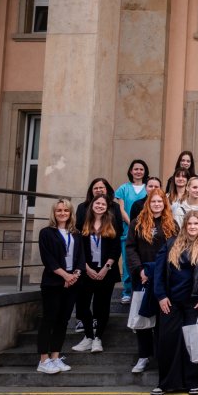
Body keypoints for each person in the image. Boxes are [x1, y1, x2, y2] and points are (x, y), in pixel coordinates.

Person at [150, 211, 198, 395]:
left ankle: (194, 382)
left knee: (196, 342)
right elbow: (158, 272)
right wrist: (161, 296)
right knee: (168, 341)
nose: (192, 227)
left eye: (196, 224)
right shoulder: (171, 243)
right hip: (171, 301)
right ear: (184, 225)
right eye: (189, 224)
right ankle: (167, 383)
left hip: (197, 303)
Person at [125, 189, 178, 374]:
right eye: (153, 201)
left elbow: (177, 249)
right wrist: (139, 270)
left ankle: (161, 356)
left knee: (163, 318)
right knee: (143, 319)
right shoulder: (137, 223)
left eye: (160, 201)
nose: (156, 204)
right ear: (148, 203)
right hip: (143, 277)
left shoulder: (172, 224)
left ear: (164, 204)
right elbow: (130, 249)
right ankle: (143, 356)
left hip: (164, 278)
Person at [36, 199, 85, 374]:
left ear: (71, 213)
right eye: (59, 210)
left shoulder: (76, 234)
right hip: (53, 282)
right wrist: (65, 275)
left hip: (72, 283)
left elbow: (81, 257)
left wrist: (74, 275)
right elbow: (48, 259)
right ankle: (43, 360)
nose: (62, 213)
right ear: (54, 213)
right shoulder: (46, 233)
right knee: (49, 320)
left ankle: (55, 357)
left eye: (66, 210)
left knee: (63, 321)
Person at [71, 195, 120, 354]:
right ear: (92, 205)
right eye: (97, 203)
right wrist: (86, 268)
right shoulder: (83, 224)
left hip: (106, 272)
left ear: (107, 207)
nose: (100, 206)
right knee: (82, 306)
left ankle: (98, 338)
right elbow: (78, 249)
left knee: (102, 306)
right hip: (86, 272)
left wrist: (106, 268)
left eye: (103, 204)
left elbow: (116, 249)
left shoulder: (111, 223)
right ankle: (88, 336)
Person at [115, 159, 150, 304]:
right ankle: (127, 291)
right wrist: (133, 224)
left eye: (141, 169)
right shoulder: (123, 188)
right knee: (127, 263)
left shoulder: (148, 187)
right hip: (128, 230)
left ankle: (142, 289)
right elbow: (121, 209)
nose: (138, 171)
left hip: (146, 231)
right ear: (131, 171)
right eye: (136, 169)